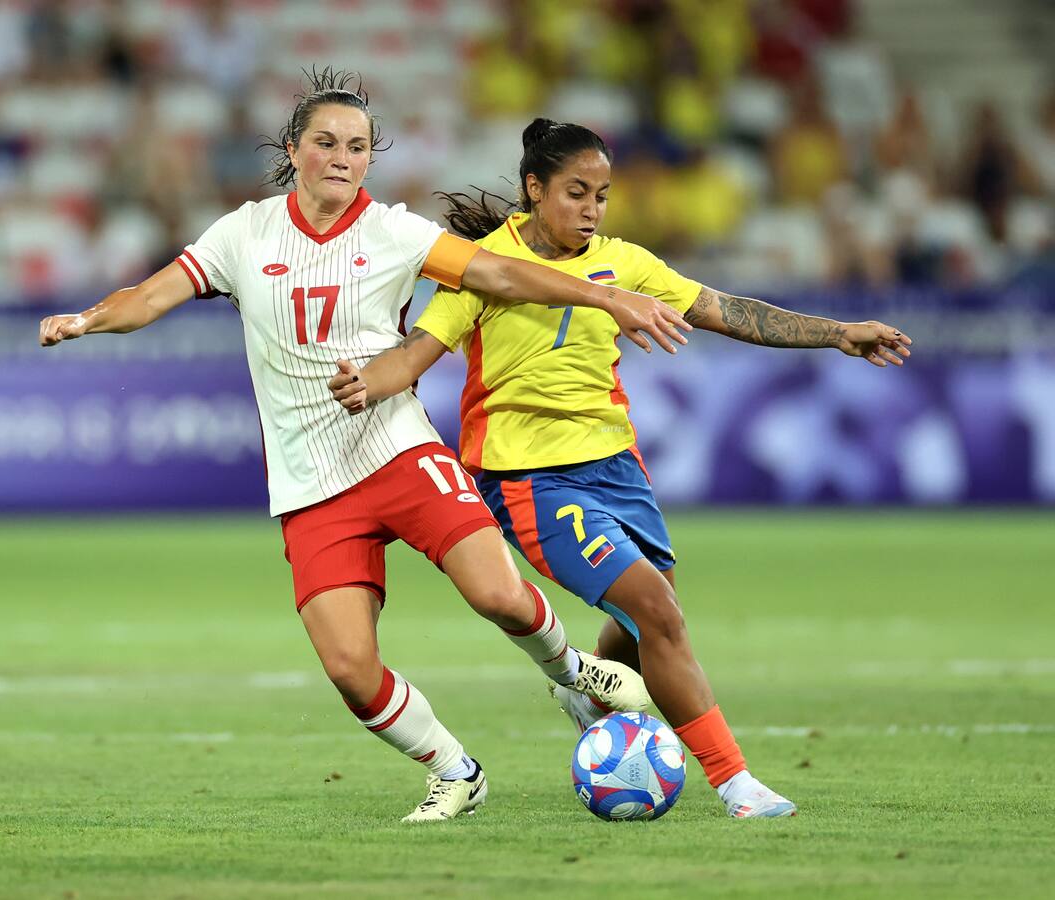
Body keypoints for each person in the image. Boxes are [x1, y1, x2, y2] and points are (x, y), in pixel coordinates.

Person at [37, 73, 692, 823]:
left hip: (397, 449)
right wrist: (89, 319)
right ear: (294, 151)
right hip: (310, 481)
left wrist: (605, 293)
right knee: (350, 669)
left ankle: (574, 675)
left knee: (498, 594)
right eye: (326, 142)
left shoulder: (393, 232)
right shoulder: (243, 235)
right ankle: (454, 770)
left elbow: (501, 273)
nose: (343, 157)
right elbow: (150, 296)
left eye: (357, 146)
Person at [329, 118, 914, 818]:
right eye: (576, 192)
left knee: (643, 621)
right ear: (535, 188)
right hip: (530, 479)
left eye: (602, 195)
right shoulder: (485, 267)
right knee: (658, 613)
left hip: (616, 467)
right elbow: (419, 350)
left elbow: (725, 310)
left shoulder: (624, 263)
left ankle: (588, 690)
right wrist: (369, 382)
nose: (591, 209)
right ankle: (737, 783)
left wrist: (836, 333)